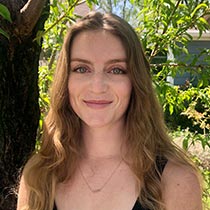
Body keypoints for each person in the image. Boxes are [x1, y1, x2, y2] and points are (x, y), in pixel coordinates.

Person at [17, 12, 203, 210]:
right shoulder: (37, 177)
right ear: (66, 81)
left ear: (135, 82)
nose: (97, 87)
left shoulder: (176, 182)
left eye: (116, 70)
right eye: (81, 69)